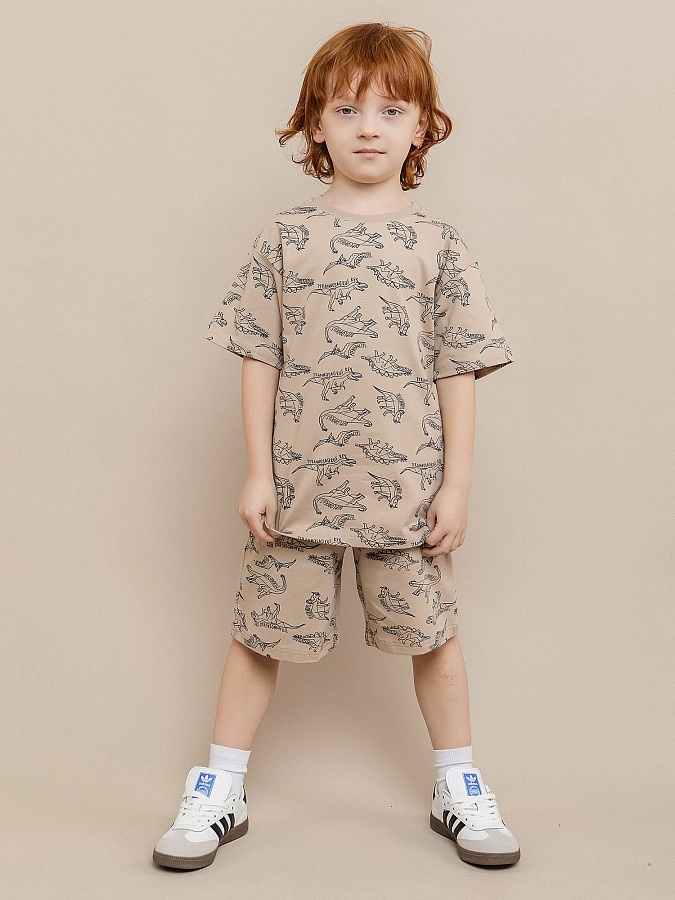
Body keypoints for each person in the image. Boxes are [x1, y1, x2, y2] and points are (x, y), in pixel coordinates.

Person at [153, 21, 520, 871]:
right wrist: (257, 472)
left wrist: (456, 484)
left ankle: (458, 784)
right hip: (297, 487)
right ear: (314, 124)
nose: (367, 128)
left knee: (432, 634)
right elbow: (258, 355)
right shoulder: (283, 238)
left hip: (406, 487)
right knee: (259, 633)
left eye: (390, 110)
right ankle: (220, 786)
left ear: (422, 126)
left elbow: (457, 368)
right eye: (346, 109)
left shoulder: (439, 245)